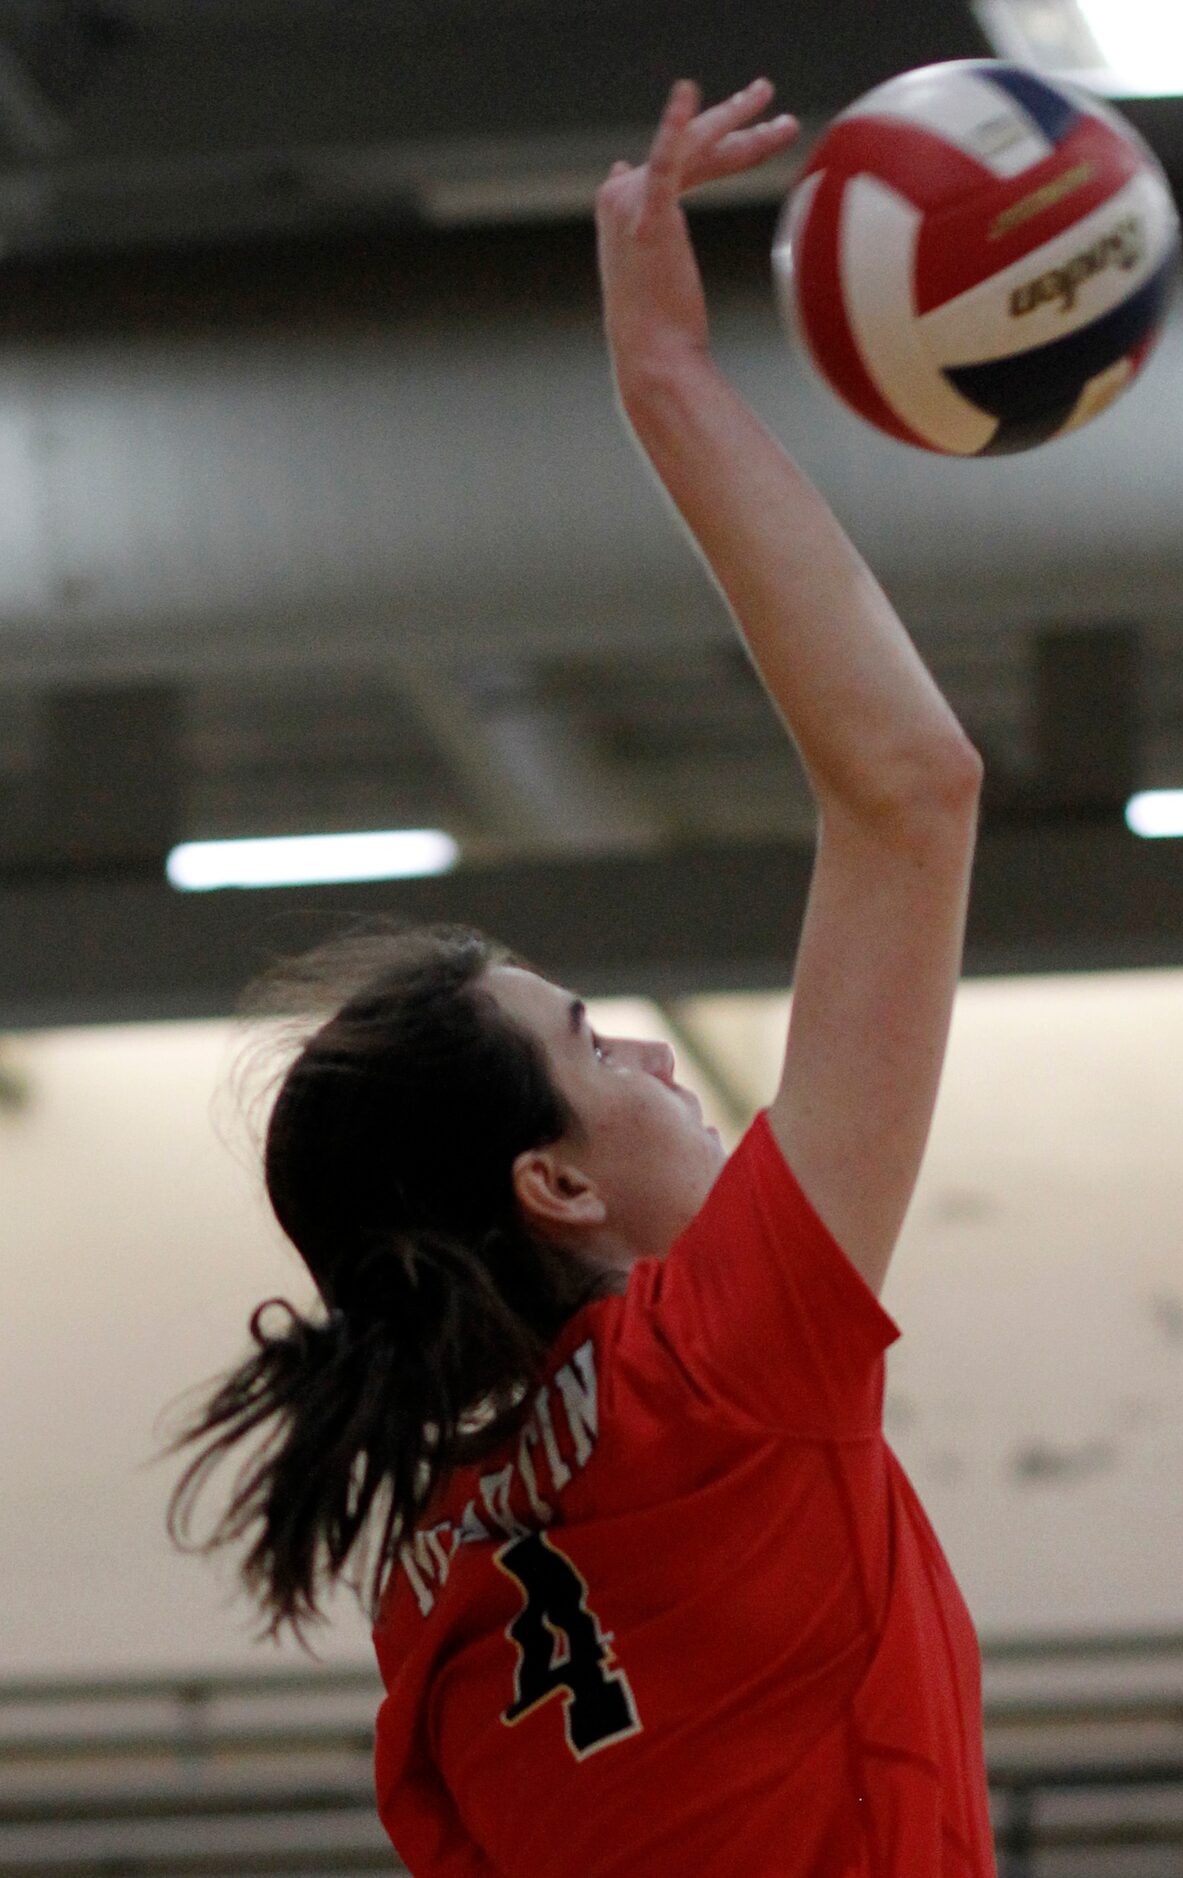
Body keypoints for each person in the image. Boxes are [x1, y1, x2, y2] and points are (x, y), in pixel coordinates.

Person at [166, 76, 991, 1877]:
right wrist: (672, 391)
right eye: (600, 1045)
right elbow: (912, 790)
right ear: (553, 1179)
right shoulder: (718, 1370)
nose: (670, 1069)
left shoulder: (430, 1600)